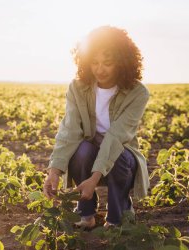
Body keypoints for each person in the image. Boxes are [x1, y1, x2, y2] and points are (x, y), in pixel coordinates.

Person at [43, 25, 150, 230]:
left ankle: (118, 218)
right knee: (81, 151)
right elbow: (69, 131)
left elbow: (116, 137)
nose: (99, 69)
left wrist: (94, 178)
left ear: (122, 62)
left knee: (119, 157)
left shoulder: (138, 93)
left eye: (107, 63)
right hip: (91, 148)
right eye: (94, 62)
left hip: (120, 152)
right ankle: (86, 215)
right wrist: (54, 171)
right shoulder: (78, 87)